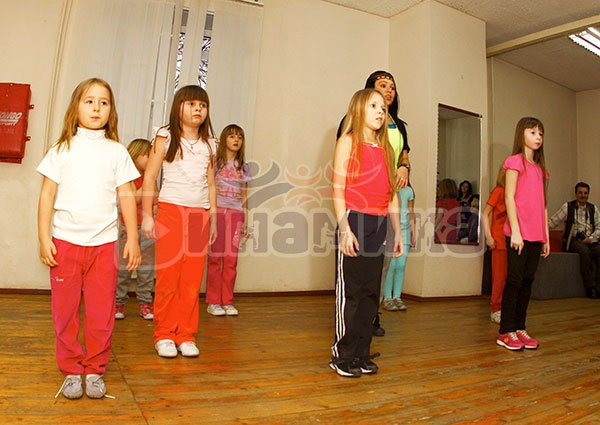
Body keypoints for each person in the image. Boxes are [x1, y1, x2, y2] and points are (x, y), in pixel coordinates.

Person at [37, 78, 141, 399]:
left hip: (104, 246)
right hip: (65, 244)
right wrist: (43, 238)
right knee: (65, 312)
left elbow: (127, 196)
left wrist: (133, 238)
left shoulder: (117, 152)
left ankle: (95, 368)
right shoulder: (61, 149)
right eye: (89, 101)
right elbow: (47, 195)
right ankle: (71, 369)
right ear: (76, 107)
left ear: (111, 111)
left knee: (101, 313)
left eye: (103, 102)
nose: (97, 108)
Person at [330, 88, 403, 377]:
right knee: (352, 293)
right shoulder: (348, 142)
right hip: (354, 220)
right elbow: (338, 188)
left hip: (379, 224)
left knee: (371, 293)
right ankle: (342, 355)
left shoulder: (387, 150)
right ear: (359, 109)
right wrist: (345, 228)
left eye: (383, 108)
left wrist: (397, 232)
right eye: (373, 106)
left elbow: (392, 195)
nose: (380, 112)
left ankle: (361, 352)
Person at [141, 85, 217, 358]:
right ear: (178, 107)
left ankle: (185, 334)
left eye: (203, 105)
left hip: (199, 215)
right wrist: (147, 215)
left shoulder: (210, 144)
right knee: (168, 276)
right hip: (170, 211)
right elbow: (150, 177)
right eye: (192, 104)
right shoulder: (165, 137)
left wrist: (213, 218)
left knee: (191, 279)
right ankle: (163, 333)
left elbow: (211, 184)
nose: (198, 109)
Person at [337, 70, 412, 336]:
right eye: (382, 86)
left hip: (385, 208)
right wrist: (344, 226)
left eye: (392, 86)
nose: (388, 91)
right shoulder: (349, 136)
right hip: (357, 210)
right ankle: (346, 345)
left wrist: (403, 167)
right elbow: (341, 179)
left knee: (373, 280)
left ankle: (368, 329)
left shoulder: (397, 129)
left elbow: (403, 160)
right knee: (354, 285)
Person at [497, 117, 549, 351]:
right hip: (518, 233)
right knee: (515, 280)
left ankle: (519, 327)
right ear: (522, 134)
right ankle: (505, 331)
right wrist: (516, 231)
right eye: (533, 132)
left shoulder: (541, 170)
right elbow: (509, 197)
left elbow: (543, 205)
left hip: (536, 235)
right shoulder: (514, 162)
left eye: (541, 133)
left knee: (528, 281)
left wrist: (545, 236)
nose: (538, 137)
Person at [206, 124, 251, 316]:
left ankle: (227, 301)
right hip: (217, 213)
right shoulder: (215, 162)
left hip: (236, 214)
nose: (236, 140)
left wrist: (246, 220)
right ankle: (213, 301)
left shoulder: (244, 167)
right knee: (215, 258)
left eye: (239, 137)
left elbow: (244, 195)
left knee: (231, 259)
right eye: (232, 136)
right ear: (224, 139)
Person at [115, 139, 157, 320]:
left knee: (147, 269)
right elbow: (132, 199)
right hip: (128, 228)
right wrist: (148, 181)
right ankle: (118, 303)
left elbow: (155, 199)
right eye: (148, 156)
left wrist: (151, 180)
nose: (151, 160)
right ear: (136, 155)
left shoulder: (150, 177)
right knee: (123, 268)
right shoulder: (128, 177)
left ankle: (145, 303)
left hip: (147, 230)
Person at [548, 182, 600, 299]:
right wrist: (538, 229)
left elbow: (599, 227)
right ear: (576, 194)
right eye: (580, 193)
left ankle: (598, 288)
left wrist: (590, 239)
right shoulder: (568, 207)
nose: (583, 195)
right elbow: (553, 222)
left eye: (585, 193)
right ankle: (590, 288)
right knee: (585, 252)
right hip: (573, 240)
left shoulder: (593, 209)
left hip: (589, 239)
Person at [382, 182, 415, 311]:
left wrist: (413, 232)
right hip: (391, 232)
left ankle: (397, 297)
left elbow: (411, 212)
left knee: (401, 265)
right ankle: (387, 298)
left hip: (405, 233)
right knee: (390, 266)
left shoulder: (409, 191)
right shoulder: (388, 187)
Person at [482, 168, 507, 324]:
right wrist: (489, 236)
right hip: (499, 240)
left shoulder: (515, 194)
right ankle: (496, 308)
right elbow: (485, 213)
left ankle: (505, 308)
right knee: (499, 277)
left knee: (510, 277)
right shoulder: (499, 191)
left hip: (512, 240)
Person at [435, 178, 461, 243]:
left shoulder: (442, 203)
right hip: (452, 230)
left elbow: (439, 218)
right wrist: (457, 233)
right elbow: (459, 221)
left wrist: (433, 229)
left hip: (442, 229)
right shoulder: (457, 203)